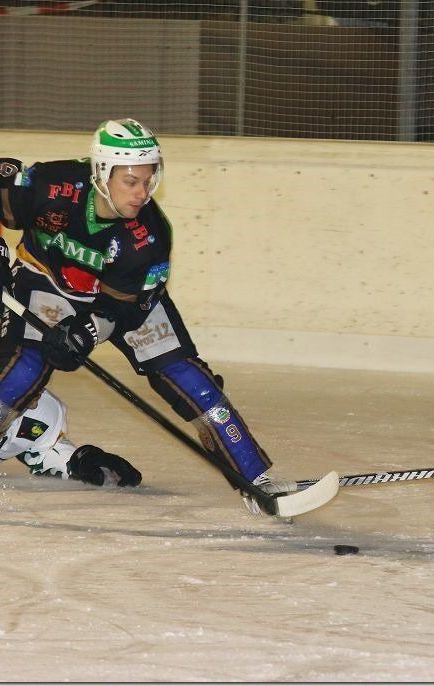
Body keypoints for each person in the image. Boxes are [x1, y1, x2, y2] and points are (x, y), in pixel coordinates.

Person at [0, 118, 295, 514]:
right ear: (102, 172)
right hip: (49, 281)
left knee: (188, 379)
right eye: (131, 181)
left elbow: (124, 309)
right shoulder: (50, 186)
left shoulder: (150, 236)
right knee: (23, 370)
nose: (143, 192)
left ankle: (257, 480)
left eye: (149, 180)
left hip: (124, 302)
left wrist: (88, 331)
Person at [1, 387, 141, 487]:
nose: (35, 402)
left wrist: (80, 462)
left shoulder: (40, 416)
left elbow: (47, 451)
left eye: (37, 389)